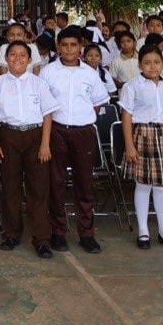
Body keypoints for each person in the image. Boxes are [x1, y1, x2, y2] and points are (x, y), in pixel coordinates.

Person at [40, 25, 111, 254]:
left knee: (84, 184)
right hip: (56, 130)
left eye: (73, 45)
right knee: (56, 183)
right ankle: (58, 232)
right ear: (58, 47)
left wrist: (83, 115)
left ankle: (86, 234)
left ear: (80, 47)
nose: (69, 49)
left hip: (83, 131)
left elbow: (99, 99)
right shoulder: (48, 71)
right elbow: (41, 102)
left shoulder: (90, 73)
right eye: (64, 45)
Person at [0, 40, 58, 258]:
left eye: (22, 55)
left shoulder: (38, 83)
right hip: (8, 136)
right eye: (12, 54)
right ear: (5, 58)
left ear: (29, 60)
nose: (17, 58)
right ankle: (11, 233)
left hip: (35, 137)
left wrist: (45, 143)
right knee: (10, 187)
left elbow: (48, 114)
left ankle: (41, 238)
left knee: (38, 189)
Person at [120, 45, 163, 250]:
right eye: (147, 62)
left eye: (157, 62)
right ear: (140, 64)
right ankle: (143, 231)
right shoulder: (132, 85)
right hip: (143, 134)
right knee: (143, 184)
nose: (152, 66)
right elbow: (126, 116)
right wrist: (129, 146)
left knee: (162, 186)